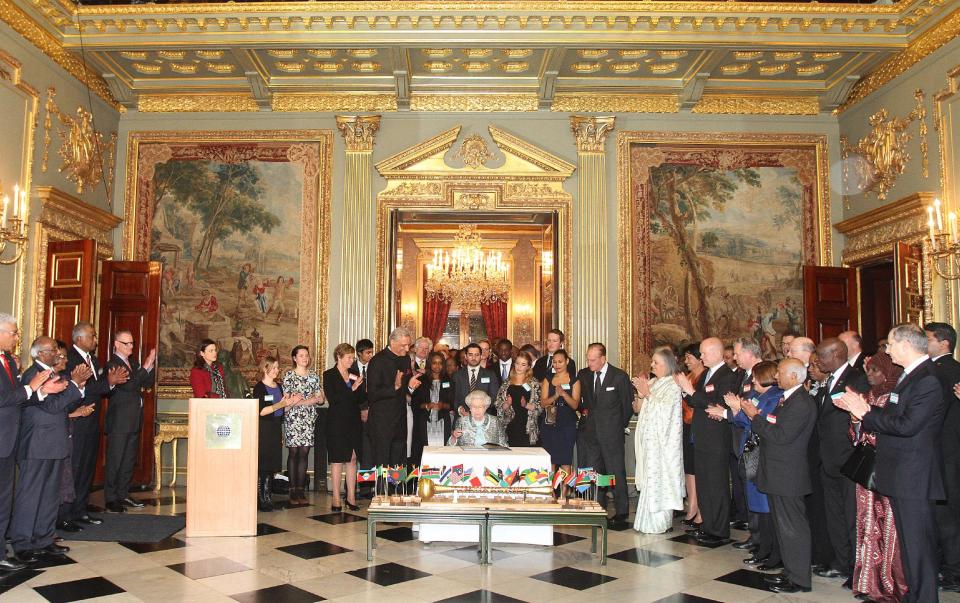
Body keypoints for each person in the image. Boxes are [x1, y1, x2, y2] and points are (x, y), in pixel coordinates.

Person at [837, 324, 945, 603]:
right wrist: (863, 409)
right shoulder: (910, 376)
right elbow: (894, 416)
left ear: (906, 346)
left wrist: (866, 414)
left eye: (891, 345)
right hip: (901, 473)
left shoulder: (927, 379)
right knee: (909, 547)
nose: (887, 350)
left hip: (914, 475)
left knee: (919, 548)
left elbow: (908, 425)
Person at [736, 358, 816, 594]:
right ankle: (791, 571)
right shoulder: (788, 399)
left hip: (788, 475)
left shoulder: (801, 402)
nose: (776, 376)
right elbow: (776, 425)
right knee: (784, 527)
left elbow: (781, 436)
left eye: (780, 372)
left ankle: (800, 578)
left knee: (793, 528)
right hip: (778, 472)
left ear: (793, 376)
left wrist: (754, 416)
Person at [7, 336, 79, 565]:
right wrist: (75, 385)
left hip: (53, 444)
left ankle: (43, 539)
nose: (57, 353)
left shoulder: (52, 373)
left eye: (57, 349)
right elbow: (52, 405)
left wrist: (75, 387)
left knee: (49, 495)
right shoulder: (33, 375)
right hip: (37, 445)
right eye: (52, 350)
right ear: (39, 354)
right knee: (30, 496)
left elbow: (64, 404)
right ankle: (23, 543)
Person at [849, 352, 907, 603]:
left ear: (887, 372)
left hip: (886, 471)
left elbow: (891, 432)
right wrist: (856, 420)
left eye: (875, 371)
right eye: (868, 370)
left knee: (888, 528)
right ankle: (870, 583)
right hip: (867, 473)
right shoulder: (869, 396)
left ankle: (892, 584)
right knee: (867, 525)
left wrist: (867, 421)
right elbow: (858, 436)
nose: (870, 375)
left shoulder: (893, 397)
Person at [716, 361, 783, 571]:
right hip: (749, 452)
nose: (752, 381)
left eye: (755, 377)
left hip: (762, 455)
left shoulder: (774, 397)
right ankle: (760, 546)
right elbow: (742, 421)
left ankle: (768, 550)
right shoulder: (758, 396)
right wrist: (739, 412)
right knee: (755, 502)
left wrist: (741, 411)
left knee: (764, 506)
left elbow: (762, 422)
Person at [814, 337, 870, 584]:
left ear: (836, 354)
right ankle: (841, 562)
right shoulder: (828, 379)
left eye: (821, 356)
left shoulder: (855, 378)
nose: (817, 360)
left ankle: (857, 568)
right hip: (828, 459)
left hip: (847, 459)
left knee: (851, 517)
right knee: (834, 515)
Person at [63, 322, 128, 530]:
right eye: (92, 336)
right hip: (77, 421)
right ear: (79, 339)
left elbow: (99, 389)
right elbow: (84, 389)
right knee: (74, 469)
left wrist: (110, 383)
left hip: (92, 421)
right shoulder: (70, 360)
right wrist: (109, 382)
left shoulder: (93, 359)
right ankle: (66, 515)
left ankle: (81, 510)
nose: (96, 340)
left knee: (87, 468)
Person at [675, 337, 738, 544]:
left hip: (716, 438)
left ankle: (719, 530)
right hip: (701, 436)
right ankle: (708, 525)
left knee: (716, 485)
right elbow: (697, 401)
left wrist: (691, 391)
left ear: (718, 353)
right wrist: (686, 390)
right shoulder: (706, 375)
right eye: (700, 353)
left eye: (704, 353)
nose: (701, 357)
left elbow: (717, 404)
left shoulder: (727, 376)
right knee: (704, 484)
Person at [577, 343, 634, 527]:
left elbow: (627, 407)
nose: (589, 362)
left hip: (612, 435)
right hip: (591, 434)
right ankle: (597, 507)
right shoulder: (584, 375)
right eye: (588, 358)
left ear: (603, 359)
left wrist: (616, 427)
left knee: (615, 472)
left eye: (593, 360)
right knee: (594, 472)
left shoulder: (619, 377)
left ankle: (621, 512)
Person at [631, 347, 684, 534]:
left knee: (659, 480)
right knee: (648, 479)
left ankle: (659, 523)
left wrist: (647, 394)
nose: (652, 365)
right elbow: (638, 409)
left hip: (662, 445)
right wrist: (641, 392)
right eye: (652, 361)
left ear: (667, 365)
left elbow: (666, 412)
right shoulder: (654, 382)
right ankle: (646, 521)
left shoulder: (673, 385)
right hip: (649, 441)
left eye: (656, 362)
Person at [103, 331, 156, 513]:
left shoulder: (132, 363)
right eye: (127, 344)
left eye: (132, 344)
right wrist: (145, 366)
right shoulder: (113, 364)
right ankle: (111, 497)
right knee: (115, 459)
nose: (131, 347)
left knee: (128, 459)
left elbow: (146, 383)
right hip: (120, 420)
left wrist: (150, 367)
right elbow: (129, 385)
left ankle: (123, 493)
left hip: (133, 419)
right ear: (116, 344)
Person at [925, 321, 960, 591]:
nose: (925, 343)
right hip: (941, 453)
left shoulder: (947, 371)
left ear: (944, 343)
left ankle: (953, 572)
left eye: (928, 339)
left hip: (947, 453)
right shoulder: (937, 369)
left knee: (947, 515)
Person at [367, 327, 419, 466]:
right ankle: (381, 488)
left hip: (400, 418)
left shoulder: (405, 359)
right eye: (403, 345)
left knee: (399, 460)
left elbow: (405, 390)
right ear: (392, 341)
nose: (407, 349)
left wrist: (410, 387)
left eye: (408, 345)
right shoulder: (377, 361)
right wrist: (394, 387)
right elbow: (372, 394)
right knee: (382, 461)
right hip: (382, 422)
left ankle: (396, 488)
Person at [323, 343, 364, 512]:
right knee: (337, 459)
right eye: (349, 358)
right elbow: (334, 399)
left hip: (353, 421)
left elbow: (360, 398)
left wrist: (359, 387)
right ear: (339, 357)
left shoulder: (354, 374)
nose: (351, 361)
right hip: (336, 422)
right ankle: (335, 498)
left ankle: (351, 497)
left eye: (353, 358)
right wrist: (352, 389)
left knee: (352, 458)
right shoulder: (329, 375)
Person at [282, 345, 324, 505]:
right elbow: (287, 401)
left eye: (306, 355)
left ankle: (300, 489)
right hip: (293, 417)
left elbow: (320, 399)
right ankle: (292, 490)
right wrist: (307, 401)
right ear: (294, 358)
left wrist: (312, 400)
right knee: (293, 452)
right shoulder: (289, 376)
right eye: (301, 355)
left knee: (304, 452)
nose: (305, 358)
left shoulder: (313, 376)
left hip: (308, 418)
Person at [253, 356, 295, 512]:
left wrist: (291, 402)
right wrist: (282, 404)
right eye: (275, 368)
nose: (277, 371)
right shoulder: (259, 388)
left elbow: (281, 409)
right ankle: (261, 498)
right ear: (265, 368)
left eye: (278, 367)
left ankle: (267, 496)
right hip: (264, 429)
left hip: (276, 427)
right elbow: (262, 411)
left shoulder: (278, 386)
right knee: (263, 465)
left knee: (272, 466)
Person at [730, 338, 762, 533]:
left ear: (749, 353)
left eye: (737, 353)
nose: (734, 357)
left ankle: (758, 536)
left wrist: (735, 409)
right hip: (742, 440)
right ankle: (754, 535)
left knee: (755, 491)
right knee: (746, 487)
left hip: (755, 443)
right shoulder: (743, 375)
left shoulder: (763, 376)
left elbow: (756, 407)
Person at [539, 350, 580, 474]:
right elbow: (543, 403)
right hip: (550, 423)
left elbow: (575, 405)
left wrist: (563, 394)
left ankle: (564, 492)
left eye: (560, 362)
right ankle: (550, 491)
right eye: (554, 362)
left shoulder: (575, 380)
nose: (557, 365)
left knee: (565, 460)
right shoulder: (548, 379)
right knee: (549, 460)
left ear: (567, 361)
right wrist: (555, 396)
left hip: (567, 423)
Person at [411, 352, 453, 464]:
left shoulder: (449, 380)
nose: (437, 366)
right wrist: (427, 405)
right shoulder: (422, 380)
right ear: (429, 364)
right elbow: (415, 403)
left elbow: (453, 403)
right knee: (425, 451)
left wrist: (443, 405)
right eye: (434, 363)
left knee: (442, 453)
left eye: (440, 363)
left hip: (443, 421)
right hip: (425, 422)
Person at [495, 350, 541, 447]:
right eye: (517, 363)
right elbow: (498, 404)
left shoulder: (533, 383)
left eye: (523, 364)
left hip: (528, 425)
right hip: (510, 424)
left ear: (529, 366)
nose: (519, 367)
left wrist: (526, 405)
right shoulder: (507, 383)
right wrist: (506, 404)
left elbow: (540, 406)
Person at [681, 342, 704, 527]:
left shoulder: (705, 377)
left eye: (689, 357)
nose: (686, 361)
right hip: (686, 425)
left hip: (699, 426)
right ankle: (692, 505)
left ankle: (702, 511)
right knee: (689, 468)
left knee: (699, 468)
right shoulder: (687, 377)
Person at [452, 343, 500, 416]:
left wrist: (479, 410)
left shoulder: (490, 374)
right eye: (470, 355)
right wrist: (459, 409)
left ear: (481, 356)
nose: (473, 358)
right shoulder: (457, 375)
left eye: (476, 355)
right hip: (463, 417)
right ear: (466, 356)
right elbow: (454, 398)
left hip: (484, 417)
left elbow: (494, 397)